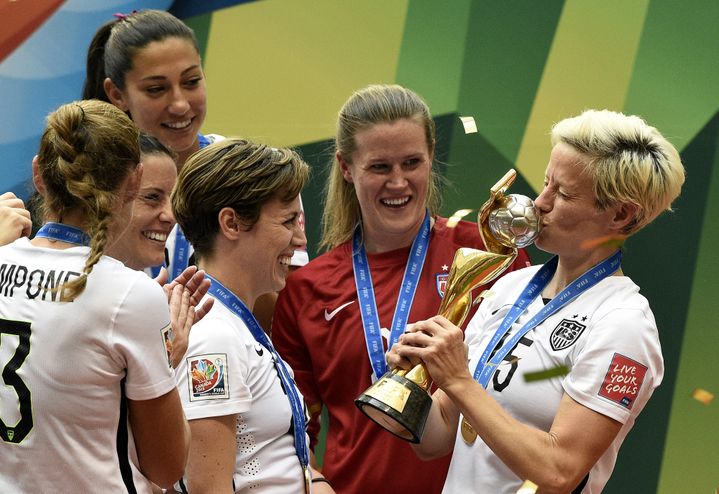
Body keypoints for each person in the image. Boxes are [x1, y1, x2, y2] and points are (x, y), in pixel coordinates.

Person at [388, 109, 685, 493]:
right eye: (545, 184)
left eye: (562, 193)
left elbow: (560, 473)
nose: (539, 202)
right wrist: (402, 380)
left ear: (621, 214)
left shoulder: (623, 324)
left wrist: (459, 380)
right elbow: (438, 437)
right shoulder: (512, 287)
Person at [271, 84, 531, 494]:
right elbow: (288, 427)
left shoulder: (491, 256)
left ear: (431, 158)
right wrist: (315, 482)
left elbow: (533, 385)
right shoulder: (306, 289)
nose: (398, 182)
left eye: (412, 163)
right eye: (379, 167)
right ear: (345, 167)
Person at [0, 100, 191, 492]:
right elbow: (166, 467)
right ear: (134, 182)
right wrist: (168, 356)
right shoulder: (131, 295)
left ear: (39, 174)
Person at [83, 9, 308, 328]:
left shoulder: (260, 173)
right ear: (117, 94)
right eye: (156, 89)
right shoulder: (94, 182)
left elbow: (288, 308)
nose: (179, 104)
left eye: (191, 82)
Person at [171, 138, 332, 493]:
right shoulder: (213, 334)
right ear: (231, 223)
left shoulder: (232, 322)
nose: (301, 238)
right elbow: (208, 489)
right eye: (289, 221)